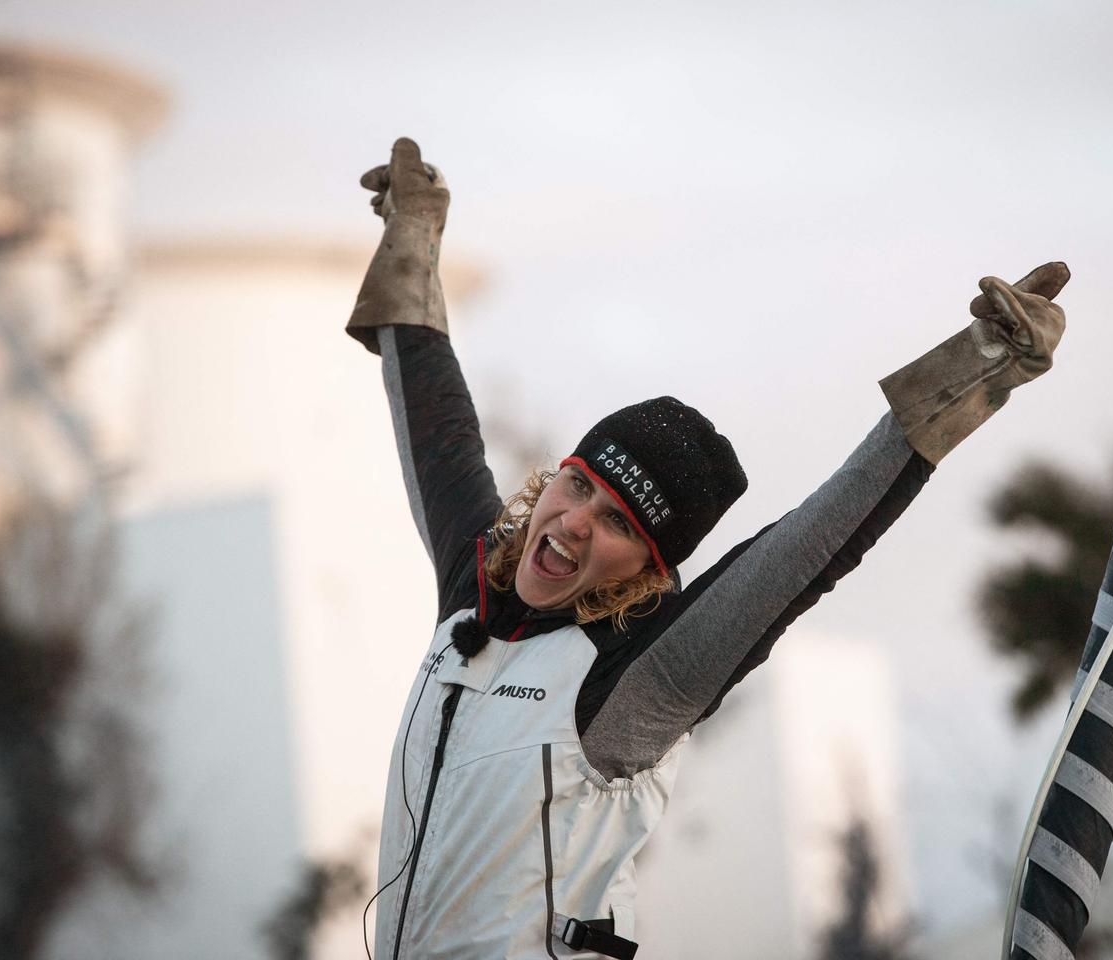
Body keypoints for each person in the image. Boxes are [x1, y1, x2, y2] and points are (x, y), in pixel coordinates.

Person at [348, 138, 1068, 960]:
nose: (578, 521)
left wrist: (976, 369)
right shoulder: (472, 590)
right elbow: (435, 424)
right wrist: (414, 236)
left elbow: (807, 547)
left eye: (619, 523)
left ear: (650, 573)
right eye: (579, 485)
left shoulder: (634, 685)